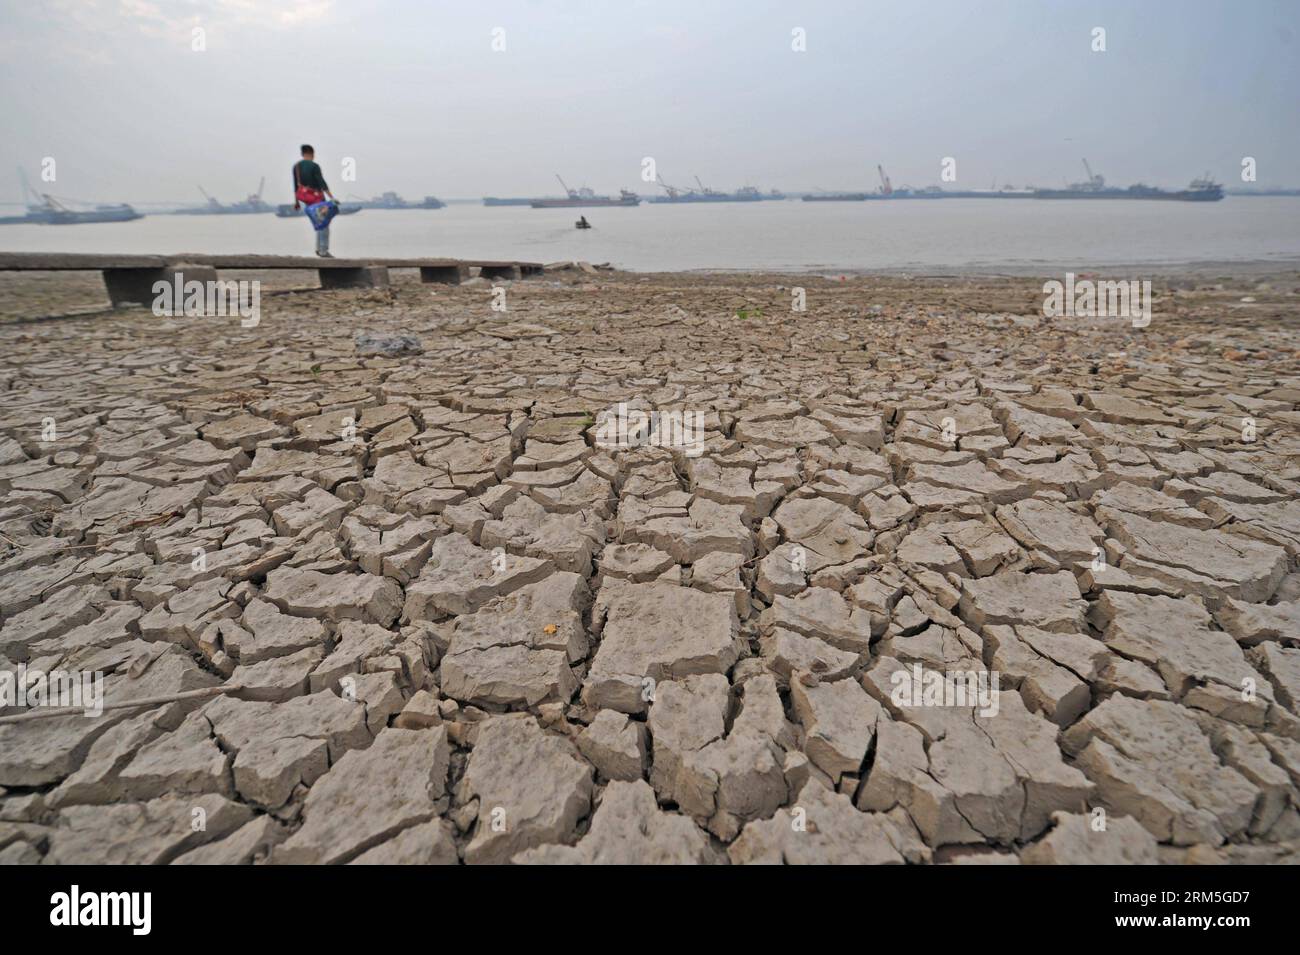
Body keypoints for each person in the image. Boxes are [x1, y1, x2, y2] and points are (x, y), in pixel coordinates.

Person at [292, 144, 335, 257]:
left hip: (306, 200)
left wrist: (296, 202)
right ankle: (323, 251)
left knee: (319, 223)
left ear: (302, 154)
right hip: (318, 199)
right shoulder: (314, 166)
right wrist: (332, 198)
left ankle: (319, 249)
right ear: (312, 154)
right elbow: (322, 183)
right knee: (324, 224)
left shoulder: (296, 167)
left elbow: (296, 187)